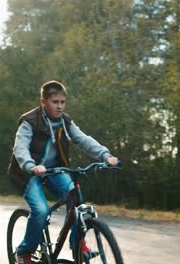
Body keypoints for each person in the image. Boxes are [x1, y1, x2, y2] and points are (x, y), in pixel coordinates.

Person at [7, 80, 119, 264]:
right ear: (43, 102)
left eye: (62, 102)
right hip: (27, 172)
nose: (59, 106)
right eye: (54, 102)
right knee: (41, 210)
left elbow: (83, 139)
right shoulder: (29, 121)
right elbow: (20, 147)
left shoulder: (65, 121)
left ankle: (78, 247)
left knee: (75, 198)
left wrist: (105, 155)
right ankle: (24, 252)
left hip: (54, 170)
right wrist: (30, 165)